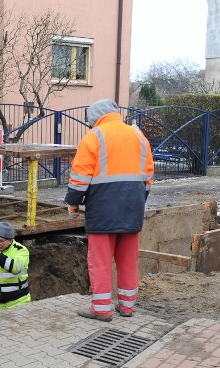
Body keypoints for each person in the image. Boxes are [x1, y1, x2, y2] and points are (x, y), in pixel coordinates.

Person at [64, 98, 154, 322]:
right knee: (127, 260)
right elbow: (149, 176)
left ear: (94, 118)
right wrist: (138, 201)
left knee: (101, 261)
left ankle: (102, 309)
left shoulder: (94, 136)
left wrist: (73, 203)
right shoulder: (138, 136)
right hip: (133, 207)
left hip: (103, 209)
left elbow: (80, 177)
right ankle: (127, 306)